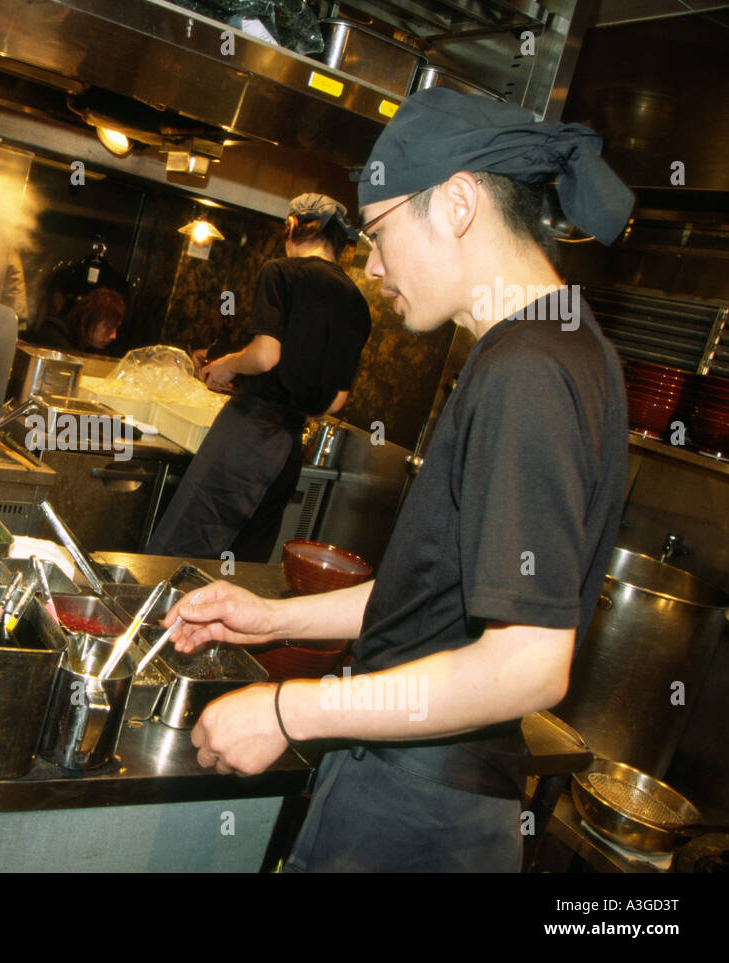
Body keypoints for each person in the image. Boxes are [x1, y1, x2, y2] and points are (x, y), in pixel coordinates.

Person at [162, 88, 635, 872]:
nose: (373, 265)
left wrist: (293, 709)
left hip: (419, 818)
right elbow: (438, 600)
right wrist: (274, 619)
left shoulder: (528, 369)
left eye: (379, 232)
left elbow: (528, 663)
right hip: (424, 802)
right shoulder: (568, 347)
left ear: (455, 203)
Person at [146, 194, 372, 563]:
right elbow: (334, 403)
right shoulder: (357, 304)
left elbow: (266, 356)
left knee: (182, 552)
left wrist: (228, 365)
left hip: (245, 439)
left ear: (294, 226)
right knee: (243, 563)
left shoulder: (283, 272)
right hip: (286, 455)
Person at [27, 287, 126, 353]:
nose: (113, 336)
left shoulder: (89, 346)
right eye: (108, 327)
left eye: (116, 328)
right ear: (88, 318)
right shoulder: (53, 335)